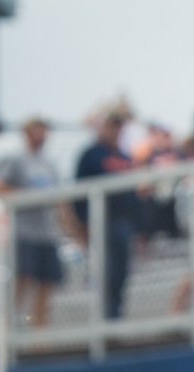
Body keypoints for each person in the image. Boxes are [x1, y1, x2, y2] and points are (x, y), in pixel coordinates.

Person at [1, 118, 63, 327]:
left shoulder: (50, 163)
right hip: (25, 233)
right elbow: (1, 189)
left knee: (47, 285)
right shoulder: (17, 160)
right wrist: (29, 196)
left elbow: (60, 199)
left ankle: (40, 334)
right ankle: (8, 329)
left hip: (48, 233)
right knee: (22, 282)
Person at [75, 113, 137, 319]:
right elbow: (79, 194)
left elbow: (134, 195)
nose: (115, 131)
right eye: (112, 126)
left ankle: (115, 319)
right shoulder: (92, 155)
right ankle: (105, 320)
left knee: (121, 275)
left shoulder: (125, 157)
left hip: (124, 224)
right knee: (105, 275)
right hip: (100, 224)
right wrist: (82, 225)